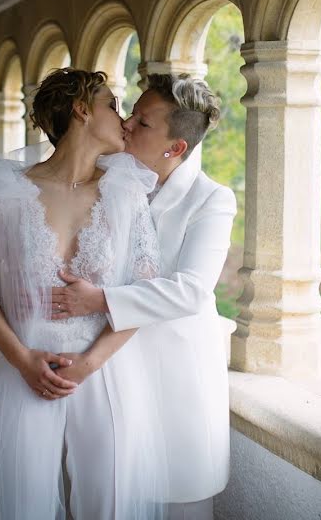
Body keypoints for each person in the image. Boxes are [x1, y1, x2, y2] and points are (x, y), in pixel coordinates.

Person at [0, 68, 170, 519]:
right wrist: (23, 361)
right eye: (112, 106)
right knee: (21, 505)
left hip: (105, 368)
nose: (123, 121)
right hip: (22, 369)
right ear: (81, 109)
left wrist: (89, 364)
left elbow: (144, 292)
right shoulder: (7, 192)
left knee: (109, 504)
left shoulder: (126, 191)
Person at [50, 73, 237, 519]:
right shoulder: (106, 177)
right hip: (110, 375)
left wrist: (100, 300)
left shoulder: (211, 200)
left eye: (144, 122)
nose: (128, 124)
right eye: (130, 113)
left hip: (173, 381)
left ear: (176, 148)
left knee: (179, 504)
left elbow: (191, 291)